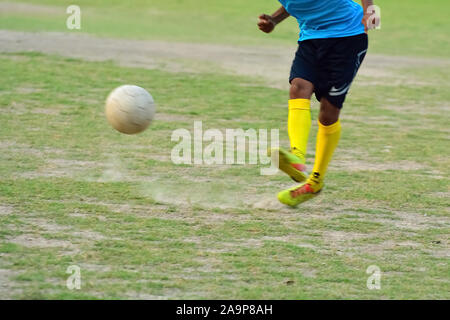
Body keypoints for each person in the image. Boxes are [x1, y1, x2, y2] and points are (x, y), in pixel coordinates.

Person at [258, 0, 379, 206]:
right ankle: (296, 157)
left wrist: (369, 11)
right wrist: (274, 20)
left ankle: (314, 183)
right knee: (298, 87)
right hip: (312, 38)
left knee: (328, 112)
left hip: (348, 36)